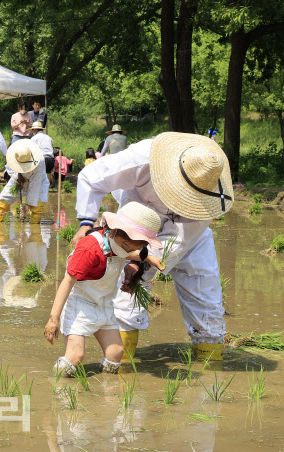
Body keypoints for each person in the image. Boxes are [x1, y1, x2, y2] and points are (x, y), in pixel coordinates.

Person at [73, 132, 234, 360]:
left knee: (207, 305)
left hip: (190, 241)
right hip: (133, 229)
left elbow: (177, 241)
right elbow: (92, 177)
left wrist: (141, 264)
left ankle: (210, 368)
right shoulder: (143, 159)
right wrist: (86, 222)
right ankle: (121, 369)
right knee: (126, 296)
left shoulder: (210, 194)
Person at [44, 202, 164, 376]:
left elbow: (124, 252)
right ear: (116, 231)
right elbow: (67, 282)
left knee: (115, 353)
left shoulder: (119, 245)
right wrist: (53, 319)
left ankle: (107, 390)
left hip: (104, 304)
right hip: (79, 305)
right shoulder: (89, 248)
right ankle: (56, 383)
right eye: (129, 246)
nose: (130, 251)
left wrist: (149, 258)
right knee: (75, 356)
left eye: (138, 247)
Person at [0, 139, 49, 224]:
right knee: (2, 201)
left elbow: (35, 186)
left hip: (39, 183)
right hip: (18, 179)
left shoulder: (39, 162)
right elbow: (10, 169)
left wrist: (27, 205)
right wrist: (17, 178)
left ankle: (34, 231)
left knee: (36, 207)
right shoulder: (14, 154)